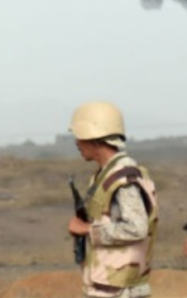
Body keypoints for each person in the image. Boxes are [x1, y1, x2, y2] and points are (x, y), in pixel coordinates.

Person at [67, 102, 158, 298]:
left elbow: (137, 228)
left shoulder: (123, 178)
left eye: (80, 136)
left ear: (95, 139)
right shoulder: (106, 175)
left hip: (121, 291)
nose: (77, 143)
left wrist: (87, 229)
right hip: (107, 287)